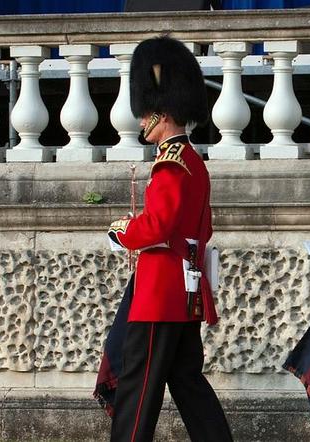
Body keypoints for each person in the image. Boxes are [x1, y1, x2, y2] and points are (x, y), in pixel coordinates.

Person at [104, 36, 232, 442]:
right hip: (186, 291)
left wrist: (123, 231)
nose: (141, 121)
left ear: (160, 112)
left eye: (145, 114)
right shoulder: (193, 161)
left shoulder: (170, 164)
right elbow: (201, 228)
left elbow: (157, 226)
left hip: (159, 294)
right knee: (188, 385)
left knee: (137, 388)